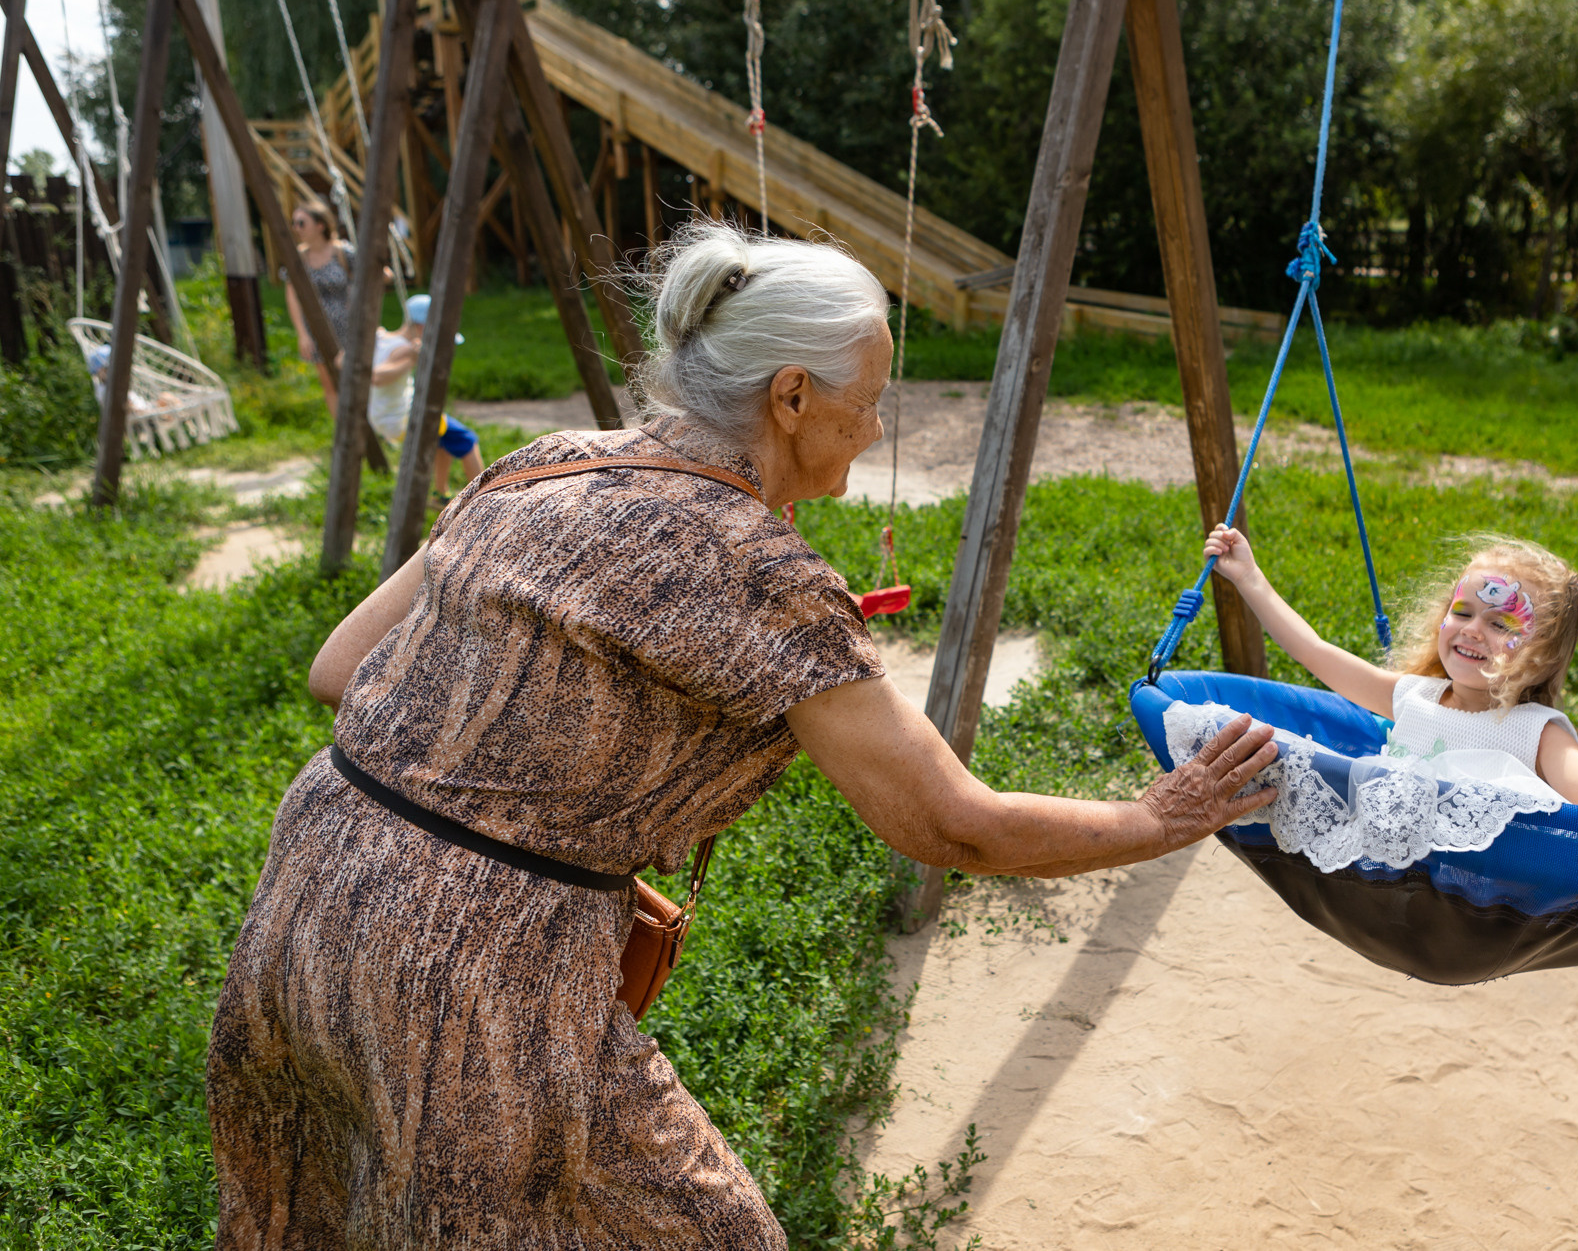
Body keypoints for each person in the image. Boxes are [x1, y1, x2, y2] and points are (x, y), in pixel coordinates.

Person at [205, 220, 1280, 1247]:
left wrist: (524, 785)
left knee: (317, 1211)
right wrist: (1157, 815)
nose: (876, 425)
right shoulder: (753, 568)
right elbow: (953, 824)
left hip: (304, 897)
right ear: (792, 395)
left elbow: (339, 670)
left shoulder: (543, 462)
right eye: (870, 400)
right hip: (470, 975)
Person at [1200, 528, 1578, 808]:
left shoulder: (1533, 732)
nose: (1471, 630)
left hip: (1474, 894)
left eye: (1502, 624)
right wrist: (1250, 579)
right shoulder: (1412, 695)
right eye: (1462, 612)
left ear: (1544, 655)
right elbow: (1316, 651)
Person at [370, 293, 485, 504]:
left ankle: (440, 494)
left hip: (383, 418)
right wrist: (413, 358)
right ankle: (484, 500)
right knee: (468, 440)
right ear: (423, 327)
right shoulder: (404, 349)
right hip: (403, 420)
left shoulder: (380, 338)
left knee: (442, 440)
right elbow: (377, 377)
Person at [280, 199, 353, 381]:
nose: (297, 228)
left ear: (320, 225)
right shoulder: (297, 258)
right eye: (294, 223)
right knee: (328, 381)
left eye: (302, 223)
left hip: (347, 326)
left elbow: (366, 276)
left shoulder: (343, 252)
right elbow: (292, 297)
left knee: (352, 376)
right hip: (315, 327)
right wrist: (302, 334)